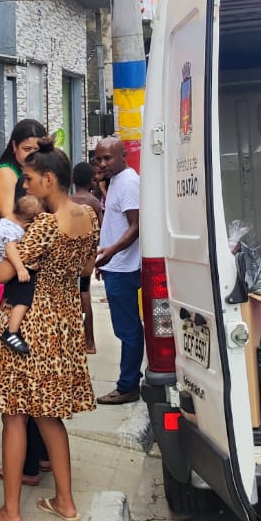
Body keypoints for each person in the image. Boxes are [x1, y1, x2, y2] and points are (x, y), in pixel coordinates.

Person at [0, 148, 97, 521]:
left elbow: (3, 274)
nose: (26, 185)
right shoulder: (87, 217)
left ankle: (11, 512)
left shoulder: (46, 225)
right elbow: (87, 266)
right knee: (50, 415)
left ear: (49, 179)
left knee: (14, 415)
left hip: (31, 320)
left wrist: (10, 256)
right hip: (64, 320)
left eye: (30, 179)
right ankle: (65, 502)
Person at [92, 137, 143, 405]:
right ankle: (129, 382)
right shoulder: (115, 182)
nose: (102, 163)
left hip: (124, 268)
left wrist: (111, 252)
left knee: (128, 330)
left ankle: (128, 386)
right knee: (125, 329)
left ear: (123, 156)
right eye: (98, 158)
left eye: (107, 158)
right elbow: (115, 223)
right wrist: (106, 261)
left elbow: (136, 226)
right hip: (115, 266)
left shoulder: (128, 183)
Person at [0, 188, 43, 355]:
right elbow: (11, 250)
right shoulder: (10, 229)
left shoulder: (8, 221)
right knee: (23, 299)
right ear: (26, 222)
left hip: (13, 268)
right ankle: (12, 332)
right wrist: (20, 269)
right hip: (12, 269)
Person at [71, 162, 103, 354]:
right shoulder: (95, 203)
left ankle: (72, 339)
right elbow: (101, 230)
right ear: (91, 180)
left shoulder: (68, 201)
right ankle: (89, 341)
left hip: (69, 254)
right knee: (85, 293)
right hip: (87, 256)